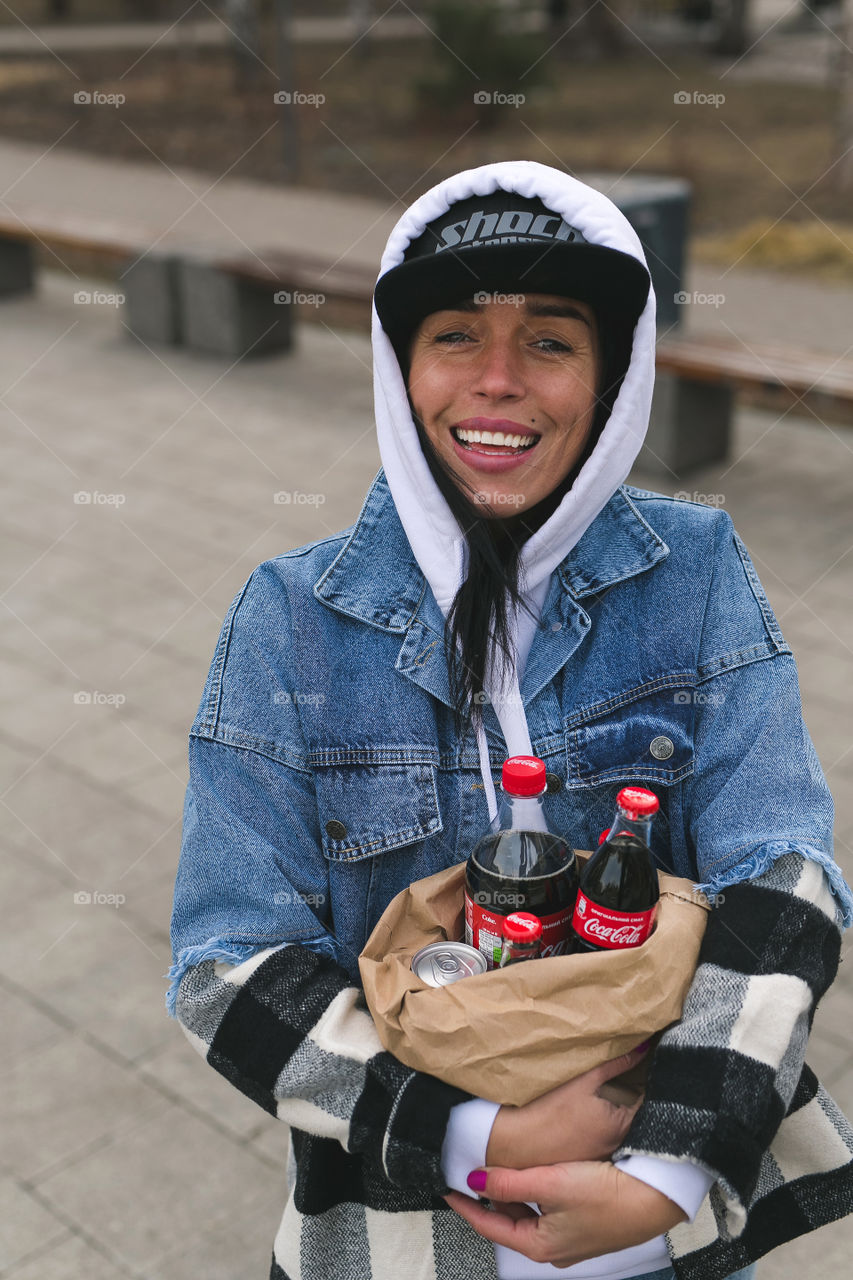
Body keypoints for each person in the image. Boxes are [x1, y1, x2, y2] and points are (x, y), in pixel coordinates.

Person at [165, 160, 853, 1280]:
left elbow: (784, 871)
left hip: (660, 1234)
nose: (496, 382)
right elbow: (224, 960)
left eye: (548, 339)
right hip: (395, 1234)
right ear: (399, 367)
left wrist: (668, 1166)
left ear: (610, 373)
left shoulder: (695, 573)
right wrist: (474, 1133)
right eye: (453, 336)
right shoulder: (290, 618)